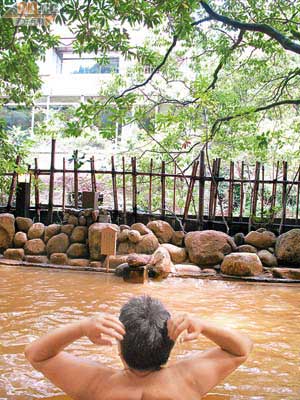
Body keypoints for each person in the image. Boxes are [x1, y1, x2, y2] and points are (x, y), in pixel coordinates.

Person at [25, 295, 253, 400]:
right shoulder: (188, 380)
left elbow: (36, 354)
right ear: (170, 344)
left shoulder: (97, 386)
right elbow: (242, 348)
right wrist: (203, 325)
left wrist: (81, 327)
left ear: (118, 347)